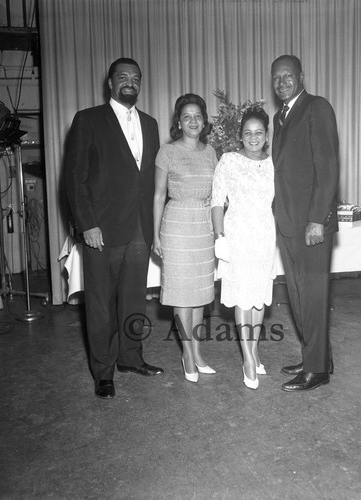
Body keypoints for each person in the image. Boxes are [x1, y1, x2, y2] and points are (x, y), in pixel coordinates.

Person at [65, 57, 163, 399]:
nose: (130, 82)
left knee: (135, 299)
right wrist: (87, 224)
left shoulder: (150, 124)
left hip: (140, 228)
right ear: (110, 82)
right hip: (102, 230)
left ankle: (131, 357)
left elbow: (150, 180)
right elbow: (74, 179)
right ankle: (103, 372)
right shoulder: (88, 120)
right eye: (123, 77)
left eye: (136, 78)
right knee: (101, 303)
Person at [271, 55, 339, 392]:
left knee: (311, 295)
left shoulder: (317, 107)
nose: (282, 82)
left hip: (311, 225)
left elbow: (327, 167)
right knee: (297, 296)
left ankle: (317, 371)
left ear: (302, 76)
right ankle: (317, 357)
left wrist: (317, 221)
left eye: (288, 75)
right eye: (276, 78)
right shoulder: (279, 117)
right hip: (287, 221)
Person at [153, 93, 218, 383]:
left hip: (203, 227)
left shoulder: (211, 152)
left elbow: (218, 195)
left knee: (201, 293)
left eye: (198, 116)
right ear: (179, 122)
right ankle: (187, 355)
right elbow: (157, 196)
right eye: (187, 116)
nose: (193, 121)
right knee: (182, 293)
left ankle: (198, 352)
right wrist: (155, 234)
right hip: (177, 225)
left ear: (204, 121)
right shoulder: (166, 152)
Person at [211, 106, 276, 390]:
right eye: (247, 133)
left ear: (266, 135)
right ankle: (247, 358)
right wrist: (220, 237)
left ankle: (254, 350)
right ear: (240, 135)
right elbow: (216, 202)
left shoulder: (273, 163)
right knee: (241, 297)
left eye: (258, 132)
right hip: (236, 235)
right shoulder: (228, 160)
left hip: (263, 235)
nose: (253, 138)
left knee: (258, 298)